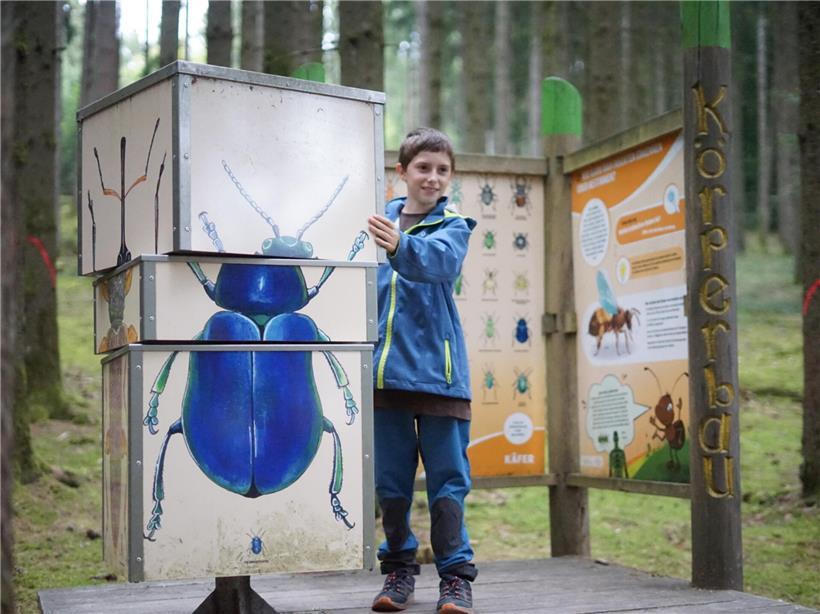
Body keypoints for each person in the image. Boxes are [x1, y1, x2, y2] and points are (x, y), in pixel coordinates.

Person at [367, 127, 477, 614]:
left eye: (442, 170)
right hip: (383, 378)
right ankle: (397, 574)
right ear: (402, 172)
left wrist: (398, 247)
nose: (432, 177)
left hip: (440, 377)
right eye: (423, 168)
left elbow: (440, 264)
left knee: (448, 481)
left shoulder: (454, 225)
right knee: (389, 483)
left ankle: (455, 579)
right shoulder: (373, 220)